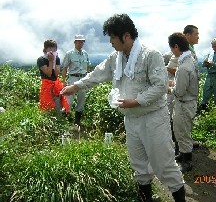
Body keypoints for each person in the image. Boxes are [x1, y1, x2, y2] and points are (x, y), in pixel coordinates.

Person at [61, 14, 186, 202]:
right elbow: (97, 74)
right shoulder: (116, 58)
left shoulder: (150, 55)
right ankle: (144, 198)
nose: (110, 42)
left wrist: (135, 101)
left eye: (112, 37)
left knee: (164, 165)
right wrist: (74, 87)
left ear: (126, 36)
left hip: (153, 118)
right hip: (131, 119)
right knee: (139, 165)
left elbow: (160, 87)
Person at [168, 32, 199, 173]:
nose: (171, 52)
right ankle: (182, 154)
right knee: (181, 130)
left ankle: (187, 161)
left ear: (176, 47)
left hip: (184, 103)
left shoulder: (183, 67)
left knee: (183, 132)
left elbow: (179, 91)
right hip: (188, 101)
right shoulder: (190, 60)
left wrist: (168, 88)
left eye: (171, 49)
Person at [62, 35, 91, 126]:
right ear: (74, 42)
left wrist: (88, 78)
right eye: (78, 41)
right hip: (73, 78)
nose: (80, 43)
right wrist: (64, 81)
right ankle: (63, 121)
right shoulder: (69, 54)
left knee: (81, 100)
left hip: (83, 78)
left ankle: (77, 121)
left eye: (82, 42)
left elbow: (88, 67)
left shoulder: (85, 54)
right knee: (69, 100)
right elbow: (65, 68)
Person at [37, 40, 69, 114]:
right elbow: (48, 73)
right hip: (47, 85)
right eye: (50, 49)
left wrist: (54, 60)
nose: (52, 51)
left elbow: (56, 73)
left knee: (58, 103)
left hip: (56, 84)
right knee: (47, 105)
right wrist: (50, 61)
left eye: (54, 49)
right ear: (45, 49)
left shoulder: (57, 59)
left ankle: (59, 119)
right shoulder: (41, 60)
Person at [201, 38, 216, 110]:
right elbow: (204, 65)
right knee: (206, 91)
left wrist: (214, 64)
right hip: (209, 75)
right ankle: (203, 107)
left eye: (215, 46)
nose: (213, 48)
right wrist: (205, 63)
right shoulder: (211, 54)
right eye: (212, 46)